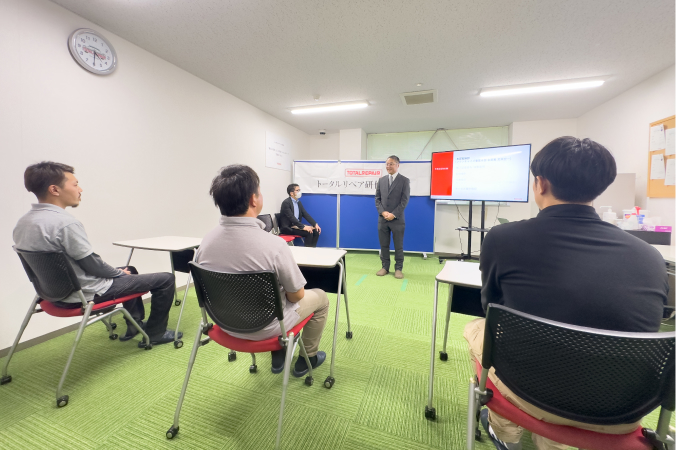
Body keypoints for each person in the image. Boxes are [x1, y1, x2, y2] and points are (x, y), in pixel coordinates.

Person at [464, 137, 669, 450]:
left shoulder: (503, 238)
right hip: (622, 409)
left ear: (541, 184)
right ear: (599, 187)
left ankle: (505, 433)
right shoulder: (650, 257)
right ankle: (553, 443)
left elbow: (491, 308)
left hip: (529, 390)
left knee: (477, 328)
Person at [13, 162, 181, 346]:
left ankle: (134, 324)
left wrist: (120, 273)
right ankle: (156, 333)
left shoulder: (23, 223)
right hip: (83, 294)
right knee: (165, 279)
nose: (80, 189)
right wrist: (118, 273)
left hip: (52, 294)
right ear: (54, 189)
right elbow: (92, 265)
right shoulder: (65, 223)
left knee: (130, 269)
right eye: (75, 184)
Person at [196, 165, 330, 376]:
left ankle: (279, 353)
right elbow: (296, 296)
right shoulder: (274, 245)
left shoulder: (205, 243)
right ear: (253, 199)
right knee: (321, 297)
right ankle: (308, 358)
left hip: (224, 324)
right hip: (268, 327)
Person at [375, 155, 410, 279]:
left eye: (391, 164)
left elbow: (404, 201)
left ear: (397, 165)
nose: (388, 166)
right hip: (383, 219)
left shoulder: (404, 180)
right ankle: (385, 267)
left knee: (398, 246)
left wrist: (393, 214)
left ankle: (398, 268)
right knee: (384, 245)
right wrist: (383, 212)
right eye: (387, 164)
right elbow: (377, 199)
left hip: (397, 219)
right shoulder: (381, 180)